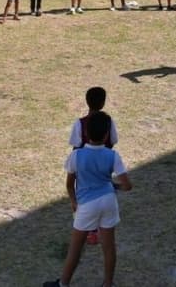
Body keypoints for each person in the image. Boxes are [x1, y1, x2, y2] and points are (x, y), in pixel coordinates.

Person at [43, 112, 132, 287]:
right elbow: (127, 186)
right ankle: (108, 284)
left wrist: (74, 202)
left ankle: (63, 284)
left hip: (87, 204)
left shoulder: (76, 156)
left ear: (85, 133)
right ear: (107, 135)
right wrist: (114, 187)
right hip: (109, 201)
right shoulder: (113, 155)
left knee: (75, 248)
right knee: (109, 246)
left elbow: (70, 184)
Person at [68, 86, 120, 247]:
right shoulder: (108, 122)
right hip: (102, 166)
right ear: (103, 103)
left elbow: (75, 145)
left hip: (83, 167)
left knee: (84, 196)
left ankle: (88, 230)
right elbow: (113, 140)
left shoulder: (79, 123)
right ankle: (99, 227)